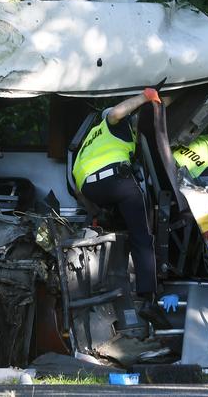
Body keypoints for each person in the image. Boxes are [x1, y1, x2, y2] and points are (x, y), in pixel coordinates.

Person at [72, 87, 171, 328]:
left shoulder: (92, 138)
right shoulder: (115, 124)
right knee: (142, 237)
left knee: (121, 228)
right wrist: (146, 97)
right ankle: (149, 300)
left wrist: (96, 212)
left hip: (90, 189)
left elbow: (77, 186)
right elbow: (117, 112)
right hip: (116, 180)